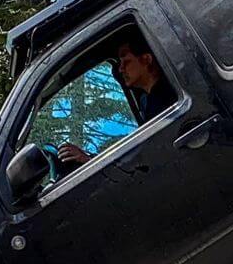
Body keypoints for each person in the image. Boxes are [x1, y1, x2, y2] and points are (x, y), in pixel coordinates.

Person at [56, 33, 175, 168]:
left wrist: (89, 162)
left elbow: (148, 158)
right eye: (120, 63)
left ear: (146, 59)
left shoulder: (165, 100)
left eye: (127, 61)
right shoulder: (148, 100)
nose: (120, 68)